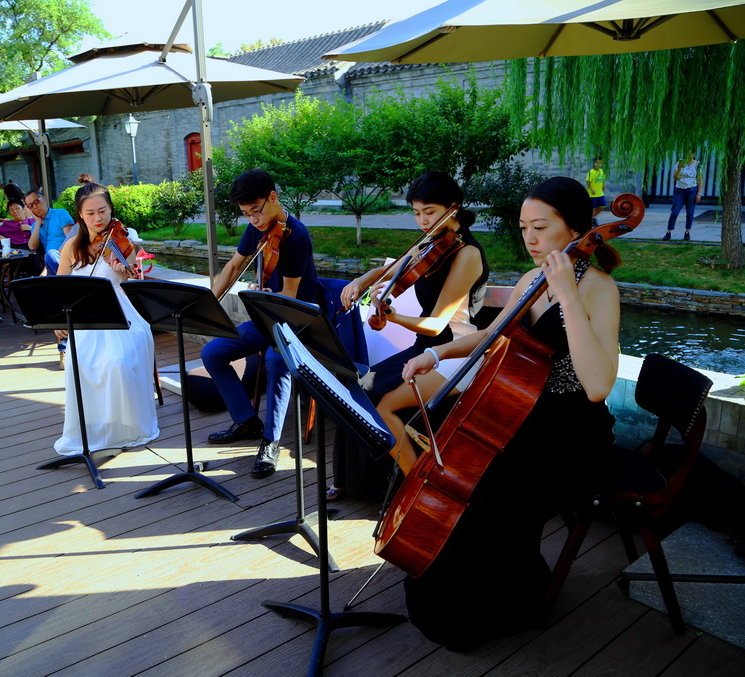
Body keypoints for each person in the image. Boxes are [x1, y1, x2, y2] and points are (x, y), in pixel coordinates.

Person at [389, 176, 620, 650]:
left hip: (571, 432)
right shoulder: (531, 280)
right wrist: (436, 354)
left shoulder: (599, 290)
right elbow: (494, 332)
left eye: (541, 227)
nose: (530, 238)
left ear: (576, 229)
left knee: (484, 497)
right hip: (522, 412)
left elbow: (598, 387)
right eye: (523, 227)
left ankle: (504, 601)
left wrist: (568, 295)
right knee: (465, 479)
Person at [330, 171, 488, 500]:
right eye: (417, 213)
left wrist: (394, 317)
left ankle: (415, 483)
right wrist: (360, 281)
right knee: (356, 389)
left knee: (381, 403)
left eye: (429, 212)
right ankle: (357, 481)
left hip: (455, 353)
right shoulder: (431, 242)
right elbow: (389, 270)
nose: (423, 221)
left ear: (453, 208)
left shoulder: (467, 253)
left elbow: (437, 324)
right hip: (425, 346)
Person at [201, 169, 319, 479]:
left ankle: (271, 442)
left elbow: (289, 296)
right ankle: (246, 420)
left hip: (295, 321)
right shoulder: (257, 229)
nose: (252, 219)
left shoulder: (296, 236)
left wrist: (262, 298)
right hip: (266, 316)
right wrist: (207, 305)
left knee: (276, 361)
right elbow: (233, 266)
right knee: (213, 352)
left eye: (256, 211)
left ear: (273, 198)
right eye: (246, 214)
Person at [52, 183, 159, 455]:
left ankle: (126, 426)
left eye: (102, 211)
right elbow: (60, 288)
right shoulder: (71, 247)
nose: (98, 218)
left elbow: (135, 286)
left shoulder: (123, 243)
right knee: (78, 361)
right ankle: (94, 424)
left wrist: (124, 273)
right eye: (90, 213)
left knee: (117, 362)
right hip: (85, 316)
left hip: (122, 314)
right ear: (80, 215)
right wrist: (59, 320)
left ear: (110, 209)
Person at [25, 189, 73, 274]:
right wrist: (38, 223)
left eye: (36, 202)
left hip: (66, 258)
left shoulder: (60, 214)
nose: (35, 207)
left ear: (44, 199)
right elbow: (32, 246)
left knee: (51, 255)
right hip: (50, 263)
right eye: (30, 205)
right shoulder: (35, 226)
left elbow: (71, 241)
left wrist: (46, 268)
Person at [664, 152, 703, 241]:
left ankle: (687, 231)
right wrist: (679, 168)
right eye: (687, 153)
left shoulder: (698, 165)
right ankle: (669, 231)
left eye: (691, 153)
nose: (689, 155)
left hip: (691, 190)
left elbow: (700, 179)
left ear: (694, 154)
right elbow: (675, 178)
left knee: (690, 212)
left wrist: (699, 193)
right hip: (680, 190)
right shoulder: (680, 162)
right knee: (675, 211)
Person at [585, 156, 606, 223]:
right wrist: (591, 190)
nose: (598, 165)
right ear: (594, 163)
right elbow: (588, 182)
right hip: (592, 194)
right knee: (593, 208)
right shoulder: (591, 172)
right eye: (597, 163)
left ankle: (592, 217)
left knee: (602, 206)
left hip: (600, 193)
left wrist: (603, 187)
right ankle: (591, 221)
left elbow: (603, 180)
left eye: (600, 163)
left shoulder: (602, 171)